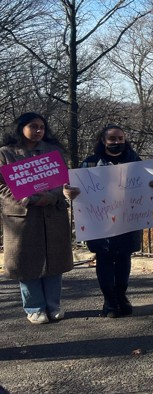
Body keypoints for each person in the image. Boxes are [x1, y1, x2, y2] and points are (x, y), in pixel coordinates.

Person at [64, 125, 144, 318]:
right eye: (112, 139)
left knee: (124, 258)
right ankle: (109, 301)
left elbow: (145, 185)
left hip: (128, 220)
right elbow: (76, 190)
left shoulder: (135, 161)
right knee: (105, 259)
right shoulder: (90, 164)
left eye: (120, 138)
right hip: (98, 221)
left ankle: (121, 296)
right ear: (103, 141)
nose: (117, 142)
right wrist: (69, 192)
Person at [0, 112, 74, 324]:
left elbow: (66, 182)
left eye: (42, 127)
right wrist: (26, 199)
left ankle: (54, 305)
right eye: (34, 126)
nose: (39, 131)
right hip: (21, 217)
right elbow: (0, 186)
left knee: (54, 260)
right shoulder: (5, 154)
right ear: (21, 127)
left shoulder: (54, 152)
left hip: (53, 213)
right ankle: (34, 308)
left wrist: (52, 197)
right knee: (27, 262)